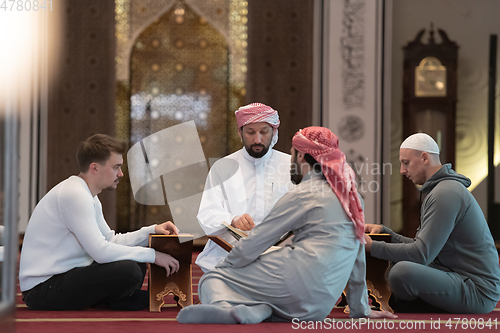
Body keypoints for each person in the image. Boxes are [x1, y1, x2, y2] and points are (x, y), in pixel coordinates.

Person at [177, 127, 397, 324]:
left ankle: (223, 307)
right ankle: (261, 311)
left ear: (301, 155)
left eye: (292, 154)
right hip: (320, 306)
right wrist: (360, 309)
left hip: (297, 281)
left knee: (212, 278)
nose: (291, 160)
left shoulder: (302, 194)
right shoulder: (353, 195)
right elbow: (358, 254)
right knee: (259, 283)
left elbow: (258, 239)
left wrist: (228, 267)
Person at [19, 134, 180, 311]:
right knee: (130, 268)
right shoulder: (75, 195)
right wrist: (154, 256)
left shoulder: (89, 195)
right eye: (116, 167)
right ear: (94, 168)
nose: (121, 173)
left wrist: (152, 230)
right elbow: (101, 252)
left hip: (63, 277)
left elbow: (111, 241)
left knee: (134, 259)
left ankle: (119, 300)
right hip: (42, 289)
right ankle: (119, 300)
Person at [365, 133, 500, 314]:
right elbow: (421, 248)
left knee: (401, 272)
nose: (402, 171)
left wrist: (372, 246)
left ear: (424, 157)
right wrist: (386, 234)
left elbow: (421, 254)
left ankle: (411, 305)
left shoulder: (445, 193)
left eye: (406, 163)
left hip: (477, 292)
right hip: (457, 278)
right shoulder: (441, 189)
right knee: (397, 269)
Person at [195, 102, 293, 272]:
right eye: (250, 132)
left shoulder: (291, 166)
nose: (257, 139)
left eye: (264, 132)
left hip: (281, 256)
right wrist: (233, 220)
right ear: (240, 133)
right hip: (229, 255)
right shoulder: (223, 167)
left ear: (274, 132)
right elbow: (207, 214)